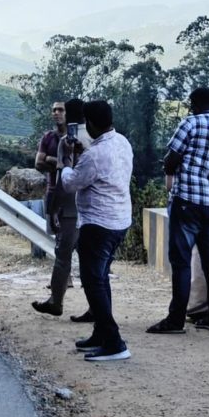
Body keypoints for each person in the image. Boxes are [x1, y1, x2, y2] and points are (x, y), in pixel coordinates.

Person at [149, 86, 209, 335]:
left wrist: (187, 172)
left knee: (181, 261)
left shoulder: (190, 124)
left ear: (194, 104)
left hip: (187, 201)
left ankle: (176, 320)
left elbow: (171, 160)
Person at [67, 98, 134, 362]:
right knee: (101, 278)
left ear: (91, 123)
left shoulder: (93, 155)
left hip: (97, 224)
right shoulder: (122, 143)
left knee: (93, 282)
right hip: (119, 220)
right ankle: (100, 334)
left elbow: (71, 183)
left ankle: (114, 342)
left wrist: (65, 164)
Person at [29, 98, 87, 317]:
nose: (56, 113)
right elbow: (38, 163)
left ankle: (56, 301)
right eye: (53, 110)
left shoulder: (72, 140)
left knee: (64, 252)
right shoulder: (49, 137)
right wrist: (59, 161)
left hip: (69, 199)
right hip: (58, 195)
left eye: (60, 110)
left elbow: (62, 168)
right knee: (64, 248)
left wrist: (55, 161)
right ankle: (61, 296)